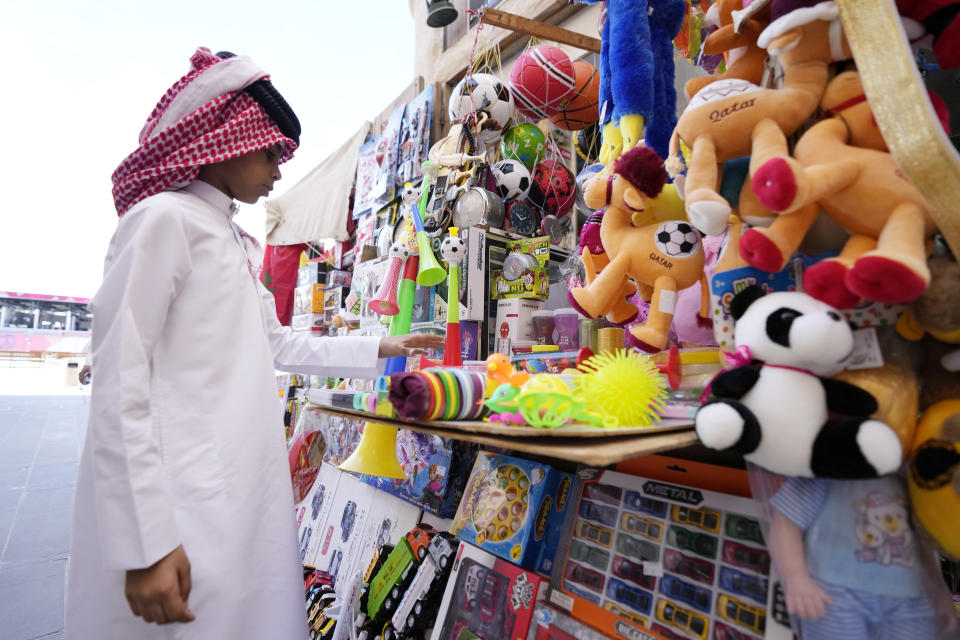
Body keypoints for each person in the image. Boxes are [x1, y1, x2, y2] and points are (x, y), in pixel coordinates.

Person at [65, 48, 442, 640]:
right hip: (180, 500)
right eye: (271, 151)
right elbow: (118, 381)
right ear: (224, 139)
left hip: (239, 492)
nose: (278, 169)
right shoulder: (162, 221)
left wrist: (383, 348)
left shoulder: (231, 241)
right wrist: (145, 540)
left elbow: (280, 345)